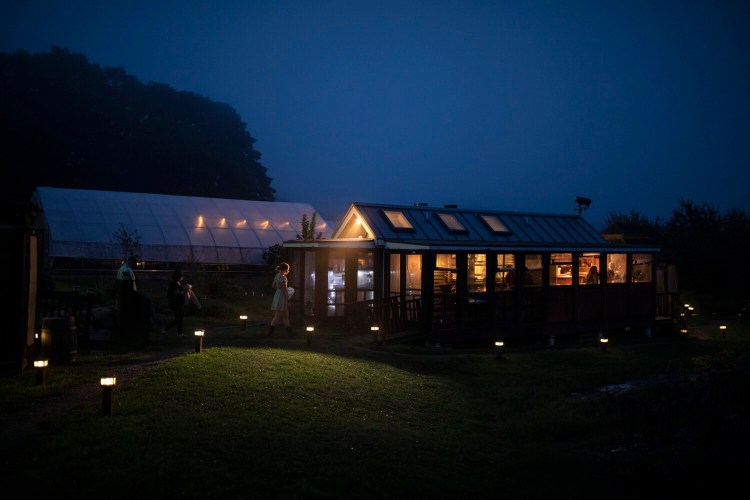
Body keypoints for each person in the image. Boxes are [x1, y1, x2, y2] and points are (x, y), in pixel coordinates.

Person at [269, 262, 293, 337]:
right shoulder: (283, 278)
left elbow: (273, 286)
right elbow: (284, 290)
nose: (288, 271)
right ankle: (270, 331)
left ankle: (289, 332)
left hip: (277, 295)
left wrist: (278, 290)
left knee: (285, 315)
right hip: (282, 297)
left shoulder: (277, 276)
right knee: (278, 316)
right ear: (285, 269)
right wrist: (287, 299)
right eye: (287, 269)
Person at [162, 269, 188, 336]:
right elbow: (177, 293)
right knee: (178, 318)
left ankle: (179, 333)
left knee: (180, 318)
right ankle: (165, 329)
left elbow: (180, 290)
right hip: (175, 303)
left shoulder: (177, 283)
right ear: (178, 276)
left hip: (178, 303)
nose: (182, 277)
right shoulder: (173, 283)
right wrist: (185, 289)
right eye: (181, 276)